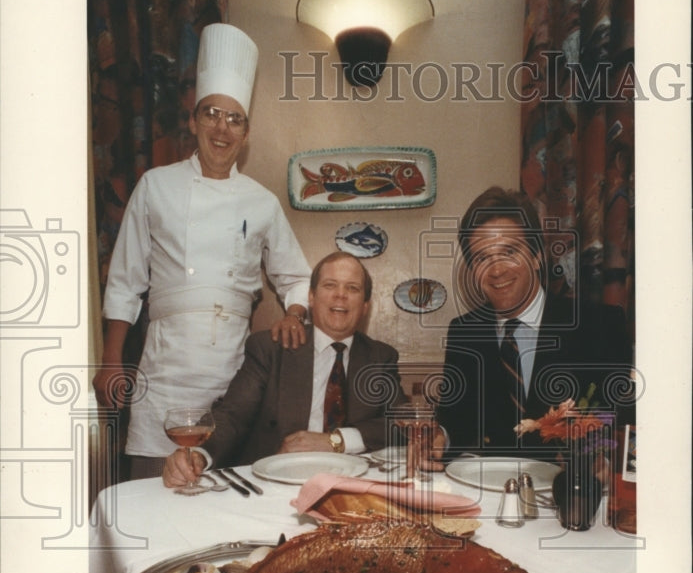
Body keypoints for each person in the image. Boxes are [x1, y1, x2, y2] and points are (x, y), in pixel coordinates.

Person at [93, 23, 311, 478]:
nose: (222, 128)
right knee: (153, 495)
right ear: (193, 121)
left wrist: (294, 313)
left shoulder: (262, 201)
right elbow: (126, 280)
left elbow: (296, 276)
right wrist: (111, 360)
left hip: (232, 377)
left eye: (235, 119)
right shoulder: (155, 185)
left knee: (222, 495)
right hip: (165, 370)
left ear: (246, 133)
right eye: (212, 113)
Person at [163, 252, 406, 487]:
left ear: (365, 305)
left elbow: (401, 423)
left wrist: (335, 441)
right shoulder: (271, 348)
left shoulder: (379, 357)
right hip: (276, 483)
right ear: (311, 297)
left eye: (352, 288)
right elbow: (233, 415)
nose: (340, 295)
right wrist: (199, 454)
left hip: (353, 481)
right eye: (330, 285)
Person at [429, 186, 633, 463]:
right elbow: (456, 423)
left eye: (509, 252)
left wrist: (599, 460)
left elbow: (622, 425)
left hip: (572, 497)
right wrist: (439, 437)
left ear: (537, 255)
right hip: (490, 494)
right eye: (481, 258)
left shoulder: (600, 326)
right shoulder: (464, 332)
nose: (497, 269)